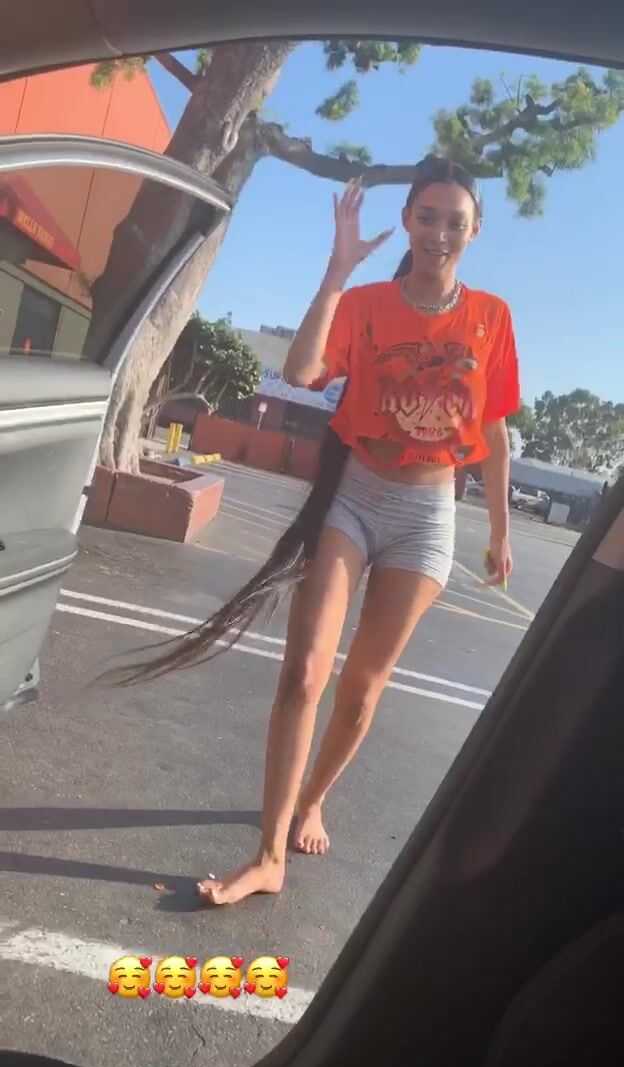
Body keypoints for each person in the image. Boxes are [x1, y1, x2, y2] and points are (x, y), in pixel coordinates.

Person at [107, 156, 520, 907]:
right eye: (427, 217)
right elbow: (300, 373)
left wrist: (499, 530)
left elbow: (494, 430)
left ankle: (314, 798)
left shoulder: (491, 317)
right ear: (408, 221)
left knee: (361, 691)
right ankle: (269, 857)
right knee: (304, 673)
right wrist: (335, 272)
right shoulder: (364, 304)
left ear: (476, 230)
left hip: (428, 516)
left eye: (454, 221)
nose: (439, 232)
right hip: (354, 499)